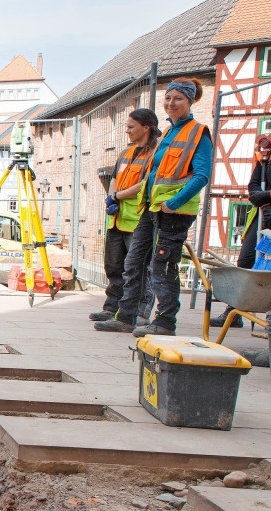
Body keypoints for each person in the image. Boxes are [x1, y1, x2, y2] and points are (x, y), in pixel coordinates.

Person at [95, 77, 213, 336]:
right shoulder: (170, 132)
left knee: (162, 266)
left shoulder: (198, 132)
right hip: (151, 209)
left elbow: (202, 175)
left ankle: (164, 322)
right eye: (168, 98)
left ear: (190, 101)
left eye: (178, 99)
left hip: (175, 212)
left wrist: (174, 202)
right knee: (134, 262)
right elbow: (155, 174)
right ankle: (126, 317)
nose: (171, 103)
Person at [89, 108, 160, 323]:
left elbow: (145, 184)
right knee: (114, 267)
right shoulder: (126, 153)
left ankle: (139, 312)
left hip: (138, 221)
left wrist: (117, 196)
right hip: (117, 219)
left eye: (131, 127)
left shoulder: (155, 153)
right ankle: (112, 307)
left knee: (137, 270)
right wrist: (111, 197)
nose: (127, 131)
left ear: (145, 127)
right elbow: (114, 178)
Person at [211, 134, 271, 329]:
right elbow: (254, 183)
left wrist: (267, 195)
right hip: (263, 212)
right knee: (245, 260)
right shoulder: (264, 158)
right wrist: (258, 195)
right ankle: (234, 312)